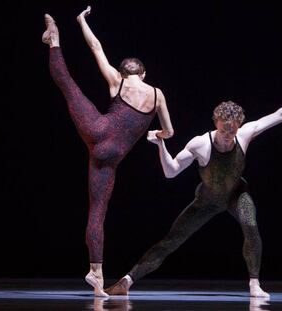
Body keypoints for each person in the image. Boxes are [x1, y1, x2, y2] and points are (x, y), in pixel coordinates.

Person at [104, 75, 282, 298]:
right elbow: (171, 171)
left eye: (232, 130)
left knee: (250, 223)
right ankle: (127, 280)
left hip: (236, 194)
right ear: (216, 123)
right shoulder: (200, 144)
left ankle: (254, 284)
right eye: (224, 129)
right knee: (172, 240)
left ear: (238, 126)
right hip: (206, 200)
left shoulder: (244, 135)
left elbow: (281, 114)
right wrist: (160, 145)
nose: (228, 135)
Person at [42, 6, 174, 297]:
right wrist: (158, 135)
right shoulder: (157, 95)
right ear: (144, 73)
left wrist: (81, 20)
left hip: (96, 131)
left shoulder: (119, 80)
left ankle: (54, 40)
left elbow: (96, 46)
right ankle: (96, 275)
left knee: (68, 86)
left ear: (125, 70)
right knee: (97, 214)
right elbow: (170, 132)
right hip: (111, 158)